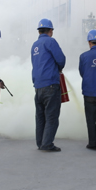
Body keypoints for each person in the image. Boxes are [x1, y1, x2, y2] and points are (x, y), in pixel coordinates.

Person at [31, 18, 66, 152]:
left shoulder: (35, 45)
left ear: (39, 31)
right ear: (50, 31)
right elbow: (61, 59)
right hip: (51, 85)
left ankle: (40, 143)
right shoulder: (50, 41)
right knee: (51, 116)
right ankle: (47, 144)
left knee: (40, 117)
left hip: (38, 86)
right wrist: (59, 68)